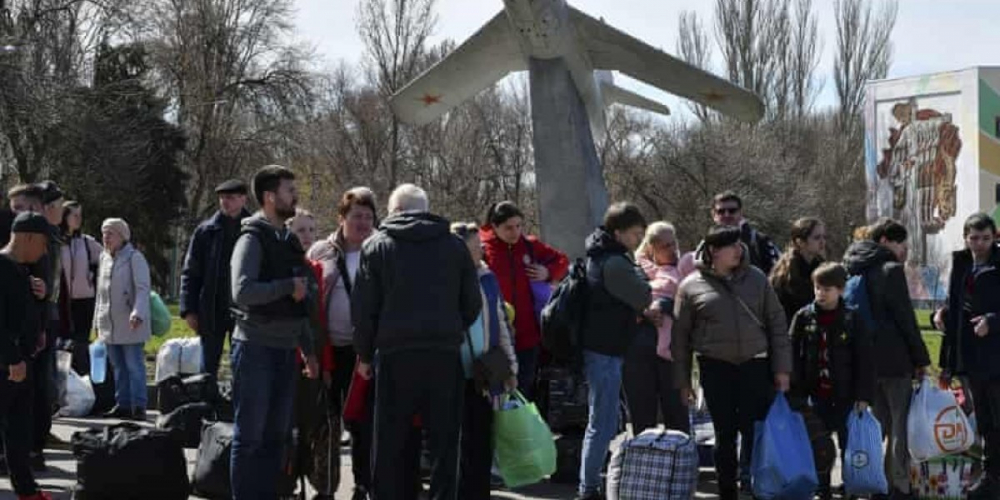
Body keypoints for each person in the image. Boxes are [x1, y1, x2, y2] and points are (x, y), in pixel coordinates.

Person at [352, 184, 481, 500]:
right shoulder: (454, 246)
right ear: (425, 209)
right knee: (444, 442)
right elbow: (472, 303)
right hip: (443, 352)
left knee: (389, 442)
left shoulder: (376, 246)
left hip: (395, 353)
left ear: (394, 210)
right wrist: (453, 329)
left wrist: (365, 355)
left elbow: (364, 309)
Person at [672, 225, 791, 500]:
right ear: (714, 251)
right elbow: (680, 340)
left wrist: (782, 369)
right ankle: (727, 490)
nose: (739, 250)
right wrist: (683, 382)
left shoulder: (757, 279)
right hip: (716, 367)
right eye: (732, 246)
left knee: (754, 431)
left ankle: (753, 486)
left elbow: (777, 324)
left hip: (755, 365)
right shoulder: (691, 286)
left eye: (740, 245)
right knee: (724, 435)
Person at [229, 166, 318, 499]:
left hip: (285, 350)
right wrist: (286, 287)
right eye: (288, 190)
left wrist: (308, 351)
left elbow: (301, 303)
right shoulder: (251, 238)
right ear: (269, 197)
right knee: (250, 437)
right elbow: (242, 290)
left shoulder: (288, 241)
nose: (294, 195)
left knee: (276, 437)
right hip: (255, 349)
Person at [844, 217, 930, 500]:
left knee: (875, 426)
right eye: (900, 242)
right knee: (899, 425)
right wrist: (921, 358)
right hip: (894, 360)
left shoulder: (853, 265)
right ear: (884, 241)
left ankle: (872, 480)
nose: (904, 249)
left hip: (865, 361)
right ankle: (899, 485)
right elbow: (905, 318)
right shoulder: (890, 270)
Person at [306, 187, 378, 500]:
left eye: (368, 216)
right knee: (327, 422)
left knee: (362, 423)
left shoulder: (382, 250)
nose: (362, 222)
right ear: (341, 218)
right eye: (356, 216)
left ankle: (363, 484)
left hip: (365, 353)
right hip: (328, 350)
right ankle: (326, 486)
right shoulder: (321, 250)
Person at [576, 202, 652, 500]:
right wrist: (644, 278)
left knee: (603, 420)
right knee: (602, 422)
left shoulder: (600, 254)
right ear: (618, 233)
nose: (638, 240)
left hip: (603, 347)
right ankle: (589, 488)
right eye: (635, 234)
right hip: (605, 350)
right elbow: (644, 295)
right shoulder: (616, 262)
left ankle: (590, 481)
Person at [789, 262, 875, 500]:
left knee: (848, 444)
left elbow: (864, 361)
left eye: (827, 289)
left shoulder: (852, 319)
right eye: (817, 288)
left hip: (846, 394)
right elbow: (793, 354)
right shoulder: (804, 317)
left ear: (840, 290)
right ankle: (822, 487)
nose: (821, 294)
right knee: (819, 445)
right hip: (816, 394)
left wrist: (863, 395)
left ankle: (850, 486)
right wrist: (794, 391)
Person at [936, 213, 1000, 500]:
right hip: (970, 354)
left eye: (985, 238)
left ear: (994, 237)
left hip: (995, 353)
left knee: (997, 418)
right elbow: (959, 302)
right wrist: (943, 314)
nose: (979, 244)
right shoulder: (962, 263)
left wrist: (992, 321)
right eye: (973, 238)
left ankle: (994, 477)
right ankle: (990, 476)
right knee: (984, 418)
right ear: (965, 237)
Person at [452, 222, 518, 499]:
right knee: (456, 443)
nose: (481, 250)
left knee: (481, 440)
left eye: (480, 245)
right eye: (474, 246)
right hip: (452, 373)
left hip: (485, 371)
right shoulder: (444, 280)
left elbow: (501, 322)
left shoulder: (487, 277)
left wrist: (511, 367)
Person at [481, 201, 568, 398]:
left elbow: (562, 260)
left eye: (519, 226)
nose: (515, 232)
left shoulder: (529, 245)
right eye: (508, 228)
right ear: (494, 227)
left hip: (528, 333)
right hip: (495, 335)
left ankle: (524, 427)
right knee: (496, 391)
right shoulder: (483, 249)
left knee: (526, 387)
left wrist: (548, 272)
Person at [0, 212, 54, 500]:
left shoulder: (25, 270)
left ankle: (27, 489)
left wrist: (42, 298)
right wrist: (11, 359)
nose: (44, 251)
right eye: (43, 243)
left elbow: (26, 313)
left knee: (19, 430)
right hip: (7, 362)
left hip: (24, 360)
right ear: (27, 237)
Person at [624, 221, 692, 434]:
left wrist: (666, 305)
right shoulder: (631, 269)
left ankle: (681, 462)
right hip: (638, 350)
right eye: (665, 246)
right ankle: (645, 461)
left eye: (674, 244)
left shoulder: (683, 269)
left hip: (673, 352)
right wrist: (643, 310)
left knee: (677, 414)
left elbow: (695, 305)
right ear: (651, 247)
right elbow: (617, 307)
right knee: (642, 415)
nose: (672, 251)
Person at [179, 179, 251, 378]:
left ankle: (239, 407)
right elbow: (191, 272)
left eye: (230, 198)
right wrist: (189, 310)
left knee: (243, 366)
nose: (225, 202)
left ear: (243, 199)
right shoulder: (206, 231)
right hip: (212, 308)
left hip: (244, 310)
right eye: (222, 198)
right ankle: (207, 406)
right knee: (208, 367)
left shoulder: (255, 230)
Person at [93, 218, 151, 421]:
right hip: (109, 323)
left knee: (134, 365)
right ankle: (123, 404)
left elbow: (143, 289)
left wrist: (138, 313)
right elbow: (100, 294)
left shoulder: (135, 257)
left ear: (123, 236)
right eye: (104, 233)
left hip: (130, 322)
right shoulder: (103, 258)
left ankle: (139, 406)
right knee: (118, 366)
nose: (106, 237)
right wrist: (96, 323)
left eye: (111, 233)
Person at [31, 180, 64, 470]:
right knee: (37, 385)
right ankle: (33, 446)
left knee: (42, 385)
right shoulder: (41, 236)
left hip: (46, 317)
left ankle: (35, 444)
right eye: (59, 207)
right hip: (40, 318)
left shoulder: (52, 235)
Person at [59, 201, 103, 376]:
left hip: (84, 300)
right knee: (63, 341)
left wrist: (92, 278)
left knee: (81, 341)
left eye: (80, 215)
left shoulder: (86, 242)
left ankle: (82, 376)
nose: (78, 219)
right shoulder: (56, 242)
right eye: (74, 215)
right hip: (62, 300)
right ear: (65, 217)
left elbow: (106, 259)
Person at [770, 217, 827, 323]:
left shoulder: (822, 267)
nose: (822, 242)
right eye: (817, 237)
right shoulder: (785, 273)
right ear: (800, 242)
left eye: (824, 237)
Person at [711, 191, 780, 275]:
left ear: (740, 213)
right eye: (721, 211)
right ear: (713, 215)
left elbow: (777, 275)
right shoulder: (706, 244)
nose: (727, 215)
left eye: (732, 211)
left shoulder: (759, 241)